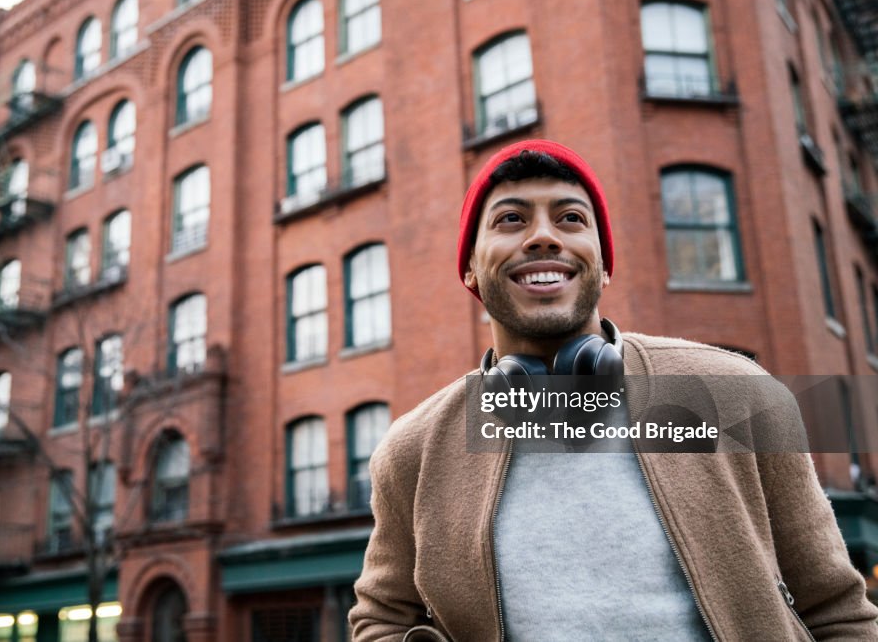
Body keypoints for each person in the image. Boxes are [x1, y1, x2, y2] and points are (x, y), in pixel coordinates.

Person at [348, 139, 878, 641]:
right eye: (511, 219)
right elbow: (380, 617)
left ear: (603, 267)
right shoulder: (413, 450)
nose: (543, 236)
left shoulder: (734, 393)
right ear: (469, 269)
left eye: (571, 219)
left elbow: (836, 608)